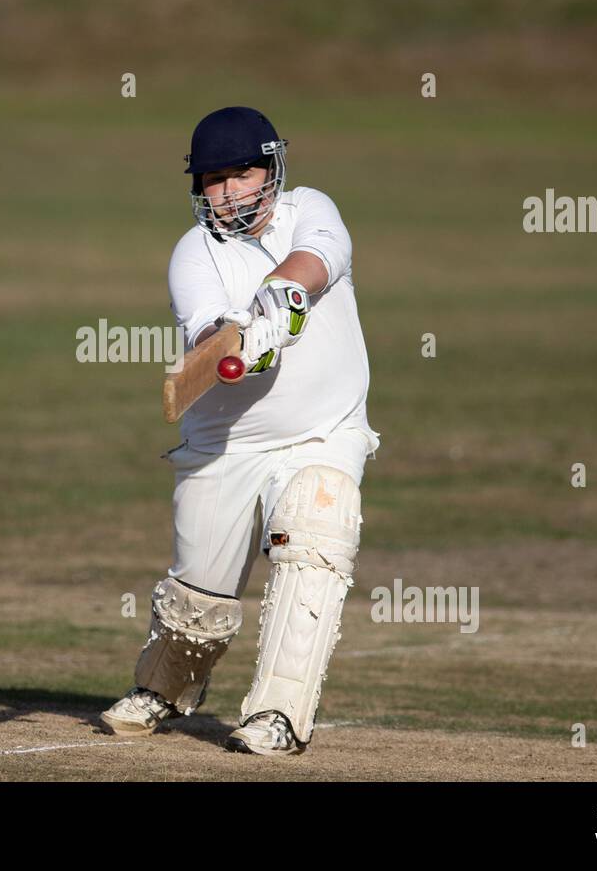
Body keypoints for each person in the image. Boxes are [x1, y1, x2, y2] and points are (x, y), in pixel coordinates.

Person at [100, 106, 380, 755]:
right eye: (214, 179)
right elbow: (207, 347)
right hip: (227, 445)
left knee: (316, 530)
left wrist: (278, 303)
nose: (230, 192)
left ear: (272, 169)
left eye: (243, 173)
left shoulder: (311, 208)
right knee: (198, 607)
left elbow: (319, 260)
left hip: (324, 431)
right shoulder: (193, 255)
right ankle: (164, 689)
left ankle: (279, 716)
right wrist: (241, 343)